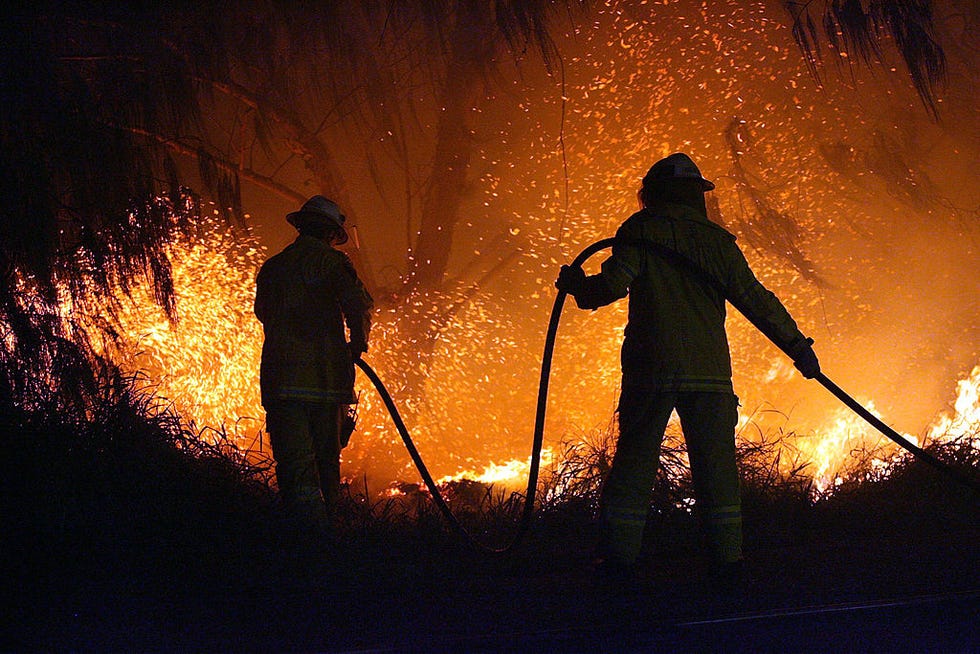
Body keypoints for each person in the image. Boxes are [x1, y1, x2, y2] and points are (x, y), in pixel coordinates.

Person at [555, 153, 819, 585]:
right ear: (697, 195)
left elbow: (609, 287)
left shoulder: (640, 231)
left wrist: (576, 287)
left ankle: (618, 564)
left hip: (651, 369)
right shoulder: (718, 242)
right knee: (717, 470)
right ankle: (728, 564)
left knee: (635, 462)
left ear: (651, 194)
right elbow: (756, 299)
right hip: (709, 373)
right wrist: (798, 346)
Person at [255, 195, 373, 534]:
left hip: (281, 382)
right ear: (331, 234)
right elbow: (360, 306)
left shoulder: (273, 267)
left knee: (294, 466)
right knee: (326, 465)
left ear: (302, 227)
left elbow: (263, 312)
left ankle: (300, 543)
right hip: (326, 381)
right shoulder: (335, 264)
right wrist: (357, 344)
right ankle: (328, 539)